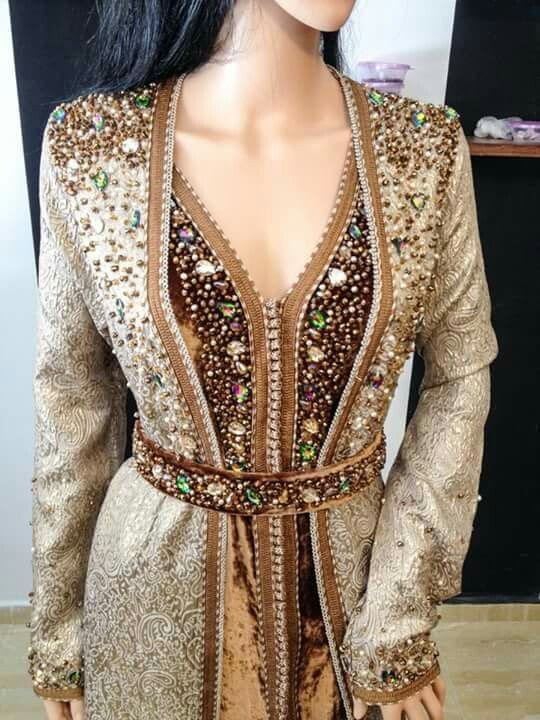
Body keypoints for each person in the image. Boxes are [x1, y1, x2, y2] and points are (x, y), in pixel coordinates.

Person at [28, 1, 498, 719]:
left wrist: (398, 613)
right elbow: (72, 399)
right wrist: (60, 632)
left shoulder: (423, 152)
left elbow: (460, 374)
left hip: (355, 604)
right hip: (152, 602)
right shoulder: (91, 148)